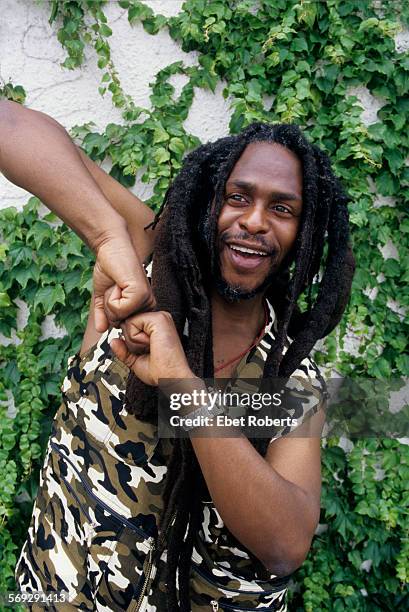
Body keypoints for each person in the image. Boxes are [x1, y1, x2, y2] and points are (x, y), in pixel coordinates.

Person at [0, 101, 354, 611]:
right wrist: (107, 236)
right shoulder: (152, 262)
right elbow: (11, 127)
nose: (254, 221)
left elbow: (284, 544)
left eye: (282, 209)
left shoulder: (290, 382)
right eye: (238, 197)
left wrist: (181, 384)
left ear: (303, 233)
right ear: (209, 204)